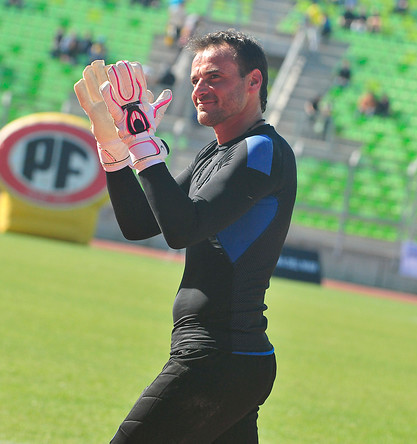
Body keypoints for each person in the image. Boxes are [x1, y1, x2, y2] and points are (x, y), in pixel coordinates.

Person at [74, 29, 297, 442]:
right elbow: (140, 224)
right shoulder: (214, 153)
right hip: (227, 359)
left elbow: (183, 229)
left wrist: (142, 142)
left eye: (215, 77)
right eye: (195, 80)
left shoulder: (263, 150)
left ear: (254, 82)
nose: (200, 89)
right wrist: (115, 149)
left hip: (218, 359)